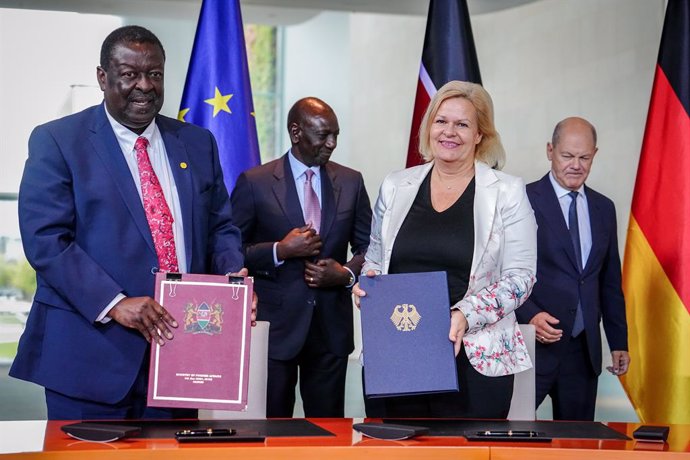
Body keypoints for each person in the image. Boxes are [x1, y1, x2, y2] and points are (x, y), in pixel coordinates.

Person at [10, 25, 255, 420]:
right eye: (129, 74)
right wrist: (115, 303)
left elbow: (220, 227)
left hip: (180, 356)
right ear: (102, 78)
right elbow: (46, 240)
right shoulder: (58, 140)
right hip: (91, 355)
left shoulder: (196, 143)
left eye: (155, 74)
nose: (144, 86)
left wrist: (233, 281)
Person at [354, 80, 537, 418]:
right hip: (398, 351)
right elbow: (375, 259)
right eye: (441, 121)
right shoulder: (396, 185)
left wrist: (465, 315)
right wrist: (369, 284)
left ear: (480, 135)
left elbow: (520, 278)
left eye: (462, 124)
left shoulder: (507, 192)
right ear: (429, 127)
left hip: (475, 360)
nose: (449, 132)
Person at [230, 97, 372, 418]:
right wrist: (280, 250)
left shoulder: (351, 182)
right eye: (323, 135)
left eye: (336, 134)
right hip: (276, 332)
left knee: (329, 437)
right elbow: (230, 252)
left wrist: (346, 274)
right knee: (272, 433)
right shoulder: (255, 183)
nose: (332, 143)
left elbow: (371, 248)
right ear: (296, 132)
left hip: (330, 332)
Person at [516, 117, 629, 421]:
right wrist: (529, 315)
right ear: (550, 151)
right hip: (531, 344)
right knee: (513, 437)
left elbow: (609, 280)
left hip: (583, 351)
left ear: (595, 155)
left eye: (584, 157)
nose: (576, 165)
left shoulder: (604, 208)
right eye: (567, 155)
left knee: (578, 445)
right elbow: (501, 272)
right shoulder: (521, 199)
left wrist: (619, 341)